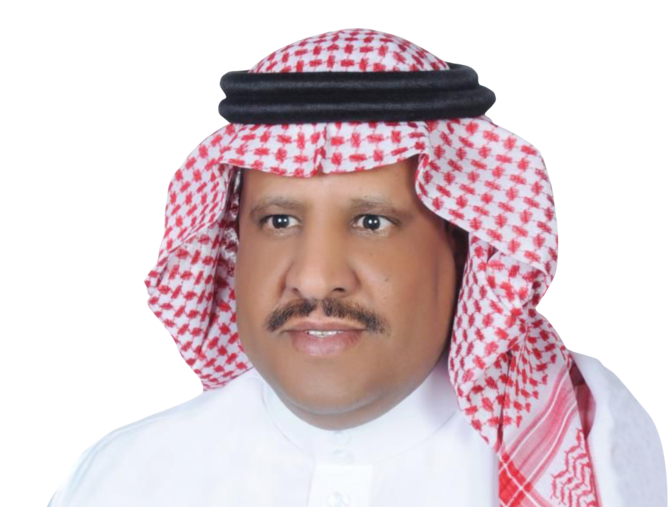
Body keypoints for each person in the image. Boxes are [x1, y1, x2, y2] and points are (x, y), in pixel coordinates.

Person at [46, 27, 668, 507]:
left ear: (463, 246)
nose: (315, 278)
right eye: (278, 221)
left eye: (372, 222)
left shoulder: (588, 450)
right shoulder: (122, 479)